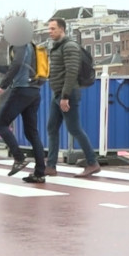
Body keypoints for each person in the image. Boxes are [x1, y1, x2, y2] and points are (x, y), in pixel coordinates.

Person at [0, 19, 46, 182]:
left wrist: (3, 86)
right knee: (31, 133)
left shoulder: (19, 44)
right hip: (34, 91)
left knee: (1, 125)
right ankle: (40, 173)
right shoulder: (30, 46)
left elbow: (16, 65)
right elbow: (14, 68)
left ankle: (19, 158)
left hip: (21, 91)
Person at [44, 17, 99, 178]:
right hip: (58, 93)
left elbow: (71, 72)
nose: (50, 31)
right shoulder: (57, 46)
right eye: (49, 28)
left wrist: (65, 96)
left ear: (62, 29)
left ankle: (92, 162)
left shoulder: (69, 47)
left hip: (67, 94)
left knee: (74, 128)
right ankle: (51, 166)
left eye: (53, 28)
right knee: (52, 128)